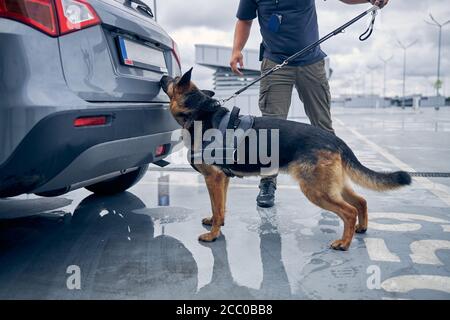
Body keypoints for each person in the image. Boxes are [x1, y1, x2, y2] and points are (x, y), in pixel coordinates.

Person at [230, 0, 389, 208]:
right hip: (275, 63)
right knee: (270, 129)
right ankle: (268, 183)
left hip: (311, 62)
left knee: (323, 125)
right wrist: (236, 50)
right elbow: (244, 20)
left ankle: (335, 181)